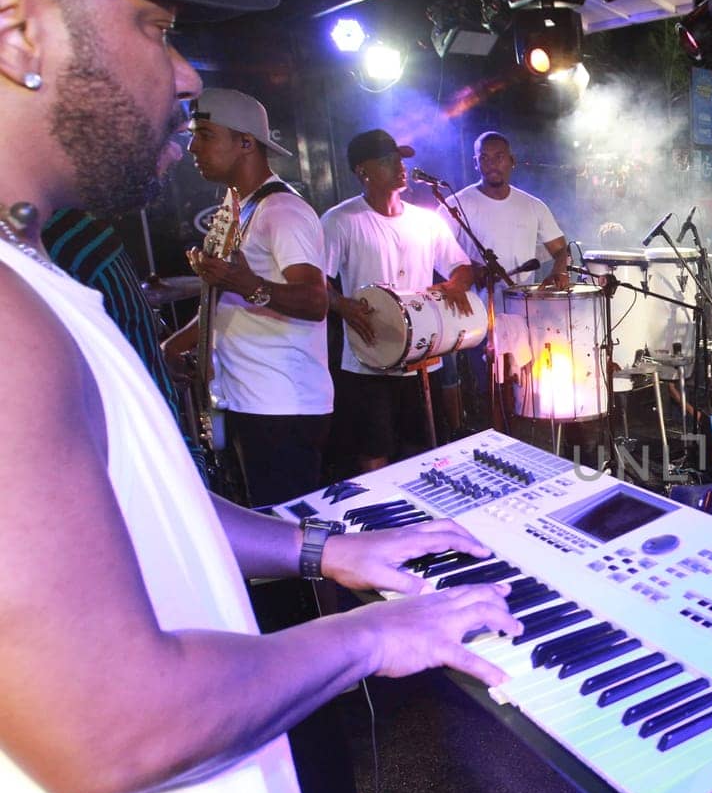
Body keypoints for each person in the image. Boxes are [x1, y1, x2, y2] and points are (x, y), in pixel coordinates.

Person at [0, 0, 518, 793]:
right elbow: (113, 721)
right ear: (18, 31)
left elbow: (144, 504)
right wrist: (378, 635)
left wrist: (326, 550)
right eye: (154, 25)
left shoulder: (28, 275)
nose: (186, 76)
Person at [166, 87, 332, 506]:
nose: (191, 147)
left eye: (204, 135)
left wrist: (245, 283)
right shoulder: (238, 206)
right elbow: (227, 307)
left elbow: (315, 301)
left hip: (282, 406)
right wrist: (176, 345)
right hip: (248, 400)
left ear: (245, 143)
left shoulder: (283, 212)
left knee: (290, 535)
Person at [324, 128, 476, 472]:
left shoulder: (426, 220)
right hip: (369, 358)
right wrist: (344, 306)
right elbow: (317, 284)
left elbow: (462, 266)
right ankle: (381, 519)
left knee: (425, 448)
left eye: (401, 160)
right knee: (373, 450)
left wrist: (454, 285)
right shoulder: (340, 221)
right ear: (363, 170)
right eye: (388, 161)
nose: (400, 167)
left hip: (422, 357)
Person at [43, 207, 208, 477]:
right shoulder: (77, 243)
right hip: (147, 466)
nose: (177, 161)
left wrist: (157, 363)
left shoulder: (77, 237)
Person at [437, 130, 571, 428]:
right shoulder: (456, 205)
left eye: (498, 157)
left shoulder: (532, 205)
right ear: (476, 163)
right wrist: (468, 269)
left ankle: (525, 440)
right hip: (477, 314)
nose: (491, 164)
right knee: (487, 387)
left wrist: (558, 271)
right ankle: (488, 438)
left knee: (525, 384)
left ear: (512, 161)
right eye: (484, 158)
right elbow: (435, 252)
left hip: (523, 313)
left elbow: (561, 249)